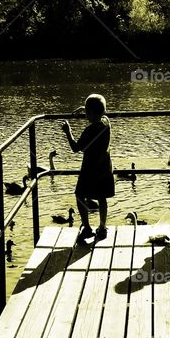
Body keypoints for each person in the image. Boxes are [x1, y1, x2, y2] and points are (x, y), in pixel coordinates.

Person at [61, 94, 114, 244]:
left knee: (80, 195)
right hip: (104, 166)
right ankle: (102, 226)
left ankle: (87, 226)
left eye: (86, 112)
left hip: (90, 169)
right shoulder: (106, 124)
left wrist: (68, 131)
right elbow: (101, 114)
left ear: (90, 113)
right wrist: (86, 108)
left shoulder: (89, 131)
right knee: (102, 197)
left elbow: (76, 148)